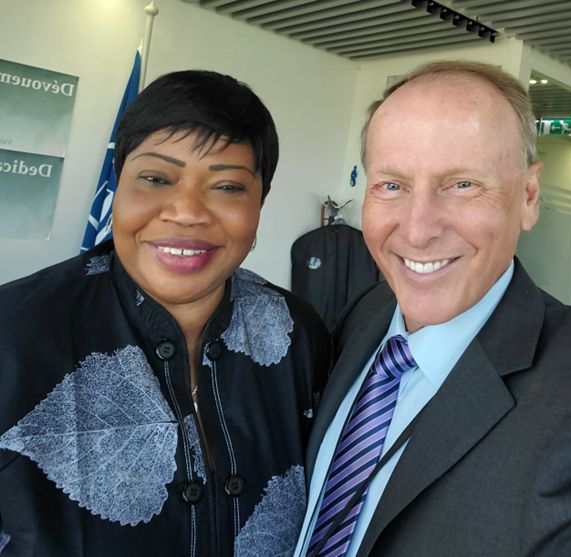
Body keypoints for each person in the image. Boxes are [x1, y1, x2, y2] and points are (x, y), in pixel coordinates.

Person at [295, 60, 571, 557]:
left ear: (529, 197)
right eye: (392, 185)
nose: (418, 229)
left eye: (462, 184)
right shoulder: (370, 312)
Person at [0, 70, 330, 557]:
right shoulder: (14, 332)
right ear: (119, 185)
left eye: (228, 187)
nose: (187, 211)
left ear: (260, 202)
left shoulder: (299, 335)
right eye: (156, 179)